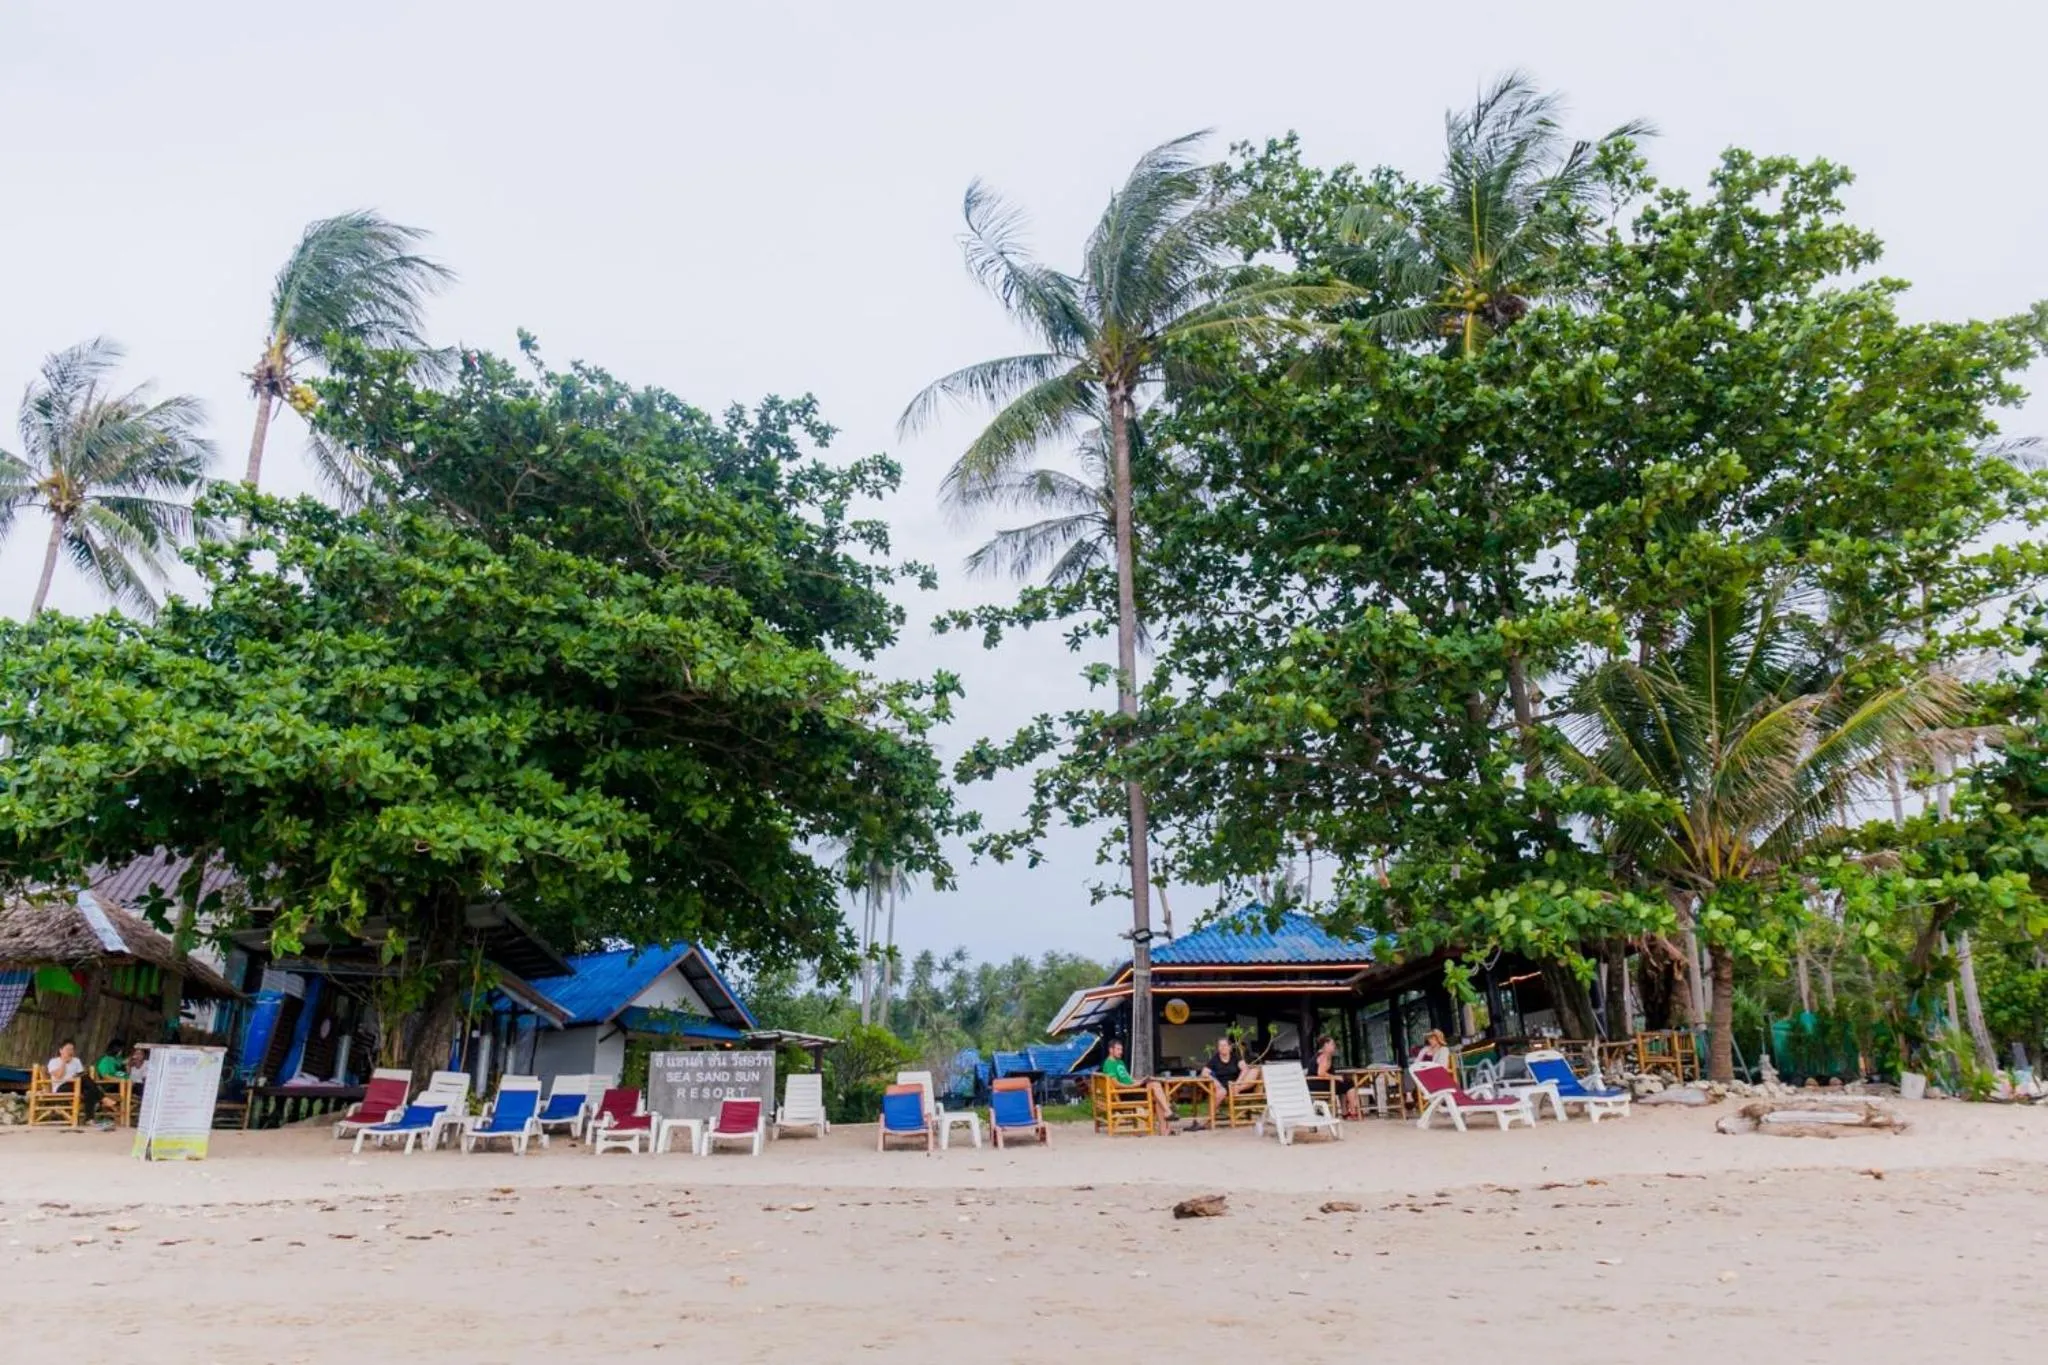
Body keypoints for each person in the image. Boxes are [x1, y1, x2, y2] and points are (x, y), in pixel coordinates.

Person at [1101, 1039, 1179, 1132]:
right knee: (1156, 1088)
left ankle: (1165, 1126)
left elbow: (1128, 1079)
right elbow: (1117, 1085)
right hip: (1125, 1093)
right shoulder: (1109, 1064)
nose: (1121, 1052)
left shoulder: (1119, 1062)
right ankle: (1168, 1109)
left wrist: (1141, 1081)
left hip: (1133, 1089)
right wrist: (1134, 1086)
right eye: (1118, 1049)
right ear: (1111, 1050)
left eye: (1121, 1050)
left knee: (1156, 1089)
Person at [44, 1040, 106, 1123]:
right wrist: (64, 1062)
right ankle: (103, 1098)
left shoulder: (76, 1060)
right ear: (61, 1050)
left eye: (72, 1049)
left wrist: (76, 1078)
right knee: (87, 1083)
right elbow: (59, 1076)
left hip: (76, 1085)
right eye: (67, 1049)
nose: (70, 1052)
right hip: (61, 1087)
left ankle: (89, 1119)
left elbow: (81, 1075)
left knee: (88, 1089)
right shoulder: (54, 1061)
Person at [1199, 1034, 1261, 1112]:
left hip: (1238, 1085)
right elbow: (1204, 1073)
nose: (1223, 1047)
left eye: (1225, 1045)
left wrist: (1237, 1083)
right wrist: (1217, 1084)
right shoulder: (1215, 1059)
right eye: (1220, 1046)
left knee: (1254, 1070)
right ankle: (1210, 1117)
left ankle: (1237, 1089)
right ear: (1218, 1048)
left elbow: (1244, 1068)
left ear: (1229, 1047)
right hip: (1224, 1086)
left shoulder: (1235, 1057)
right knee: (1221, 1092)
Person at [1306, 1035, 1360, 1119]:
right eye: (1332, 1044)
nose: (1334, 1046)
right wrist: (1336, 1077)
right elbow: (1321, 1073)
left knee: (1343, 1084)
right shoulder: (1324, 1056)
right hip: (1319, 1085)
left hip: (1313, 1085)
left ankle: (1345, 1113)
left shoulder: (1320, 1054)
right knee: (1349, 1083)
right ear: (1326, 1045)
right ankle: (1353, 1112)